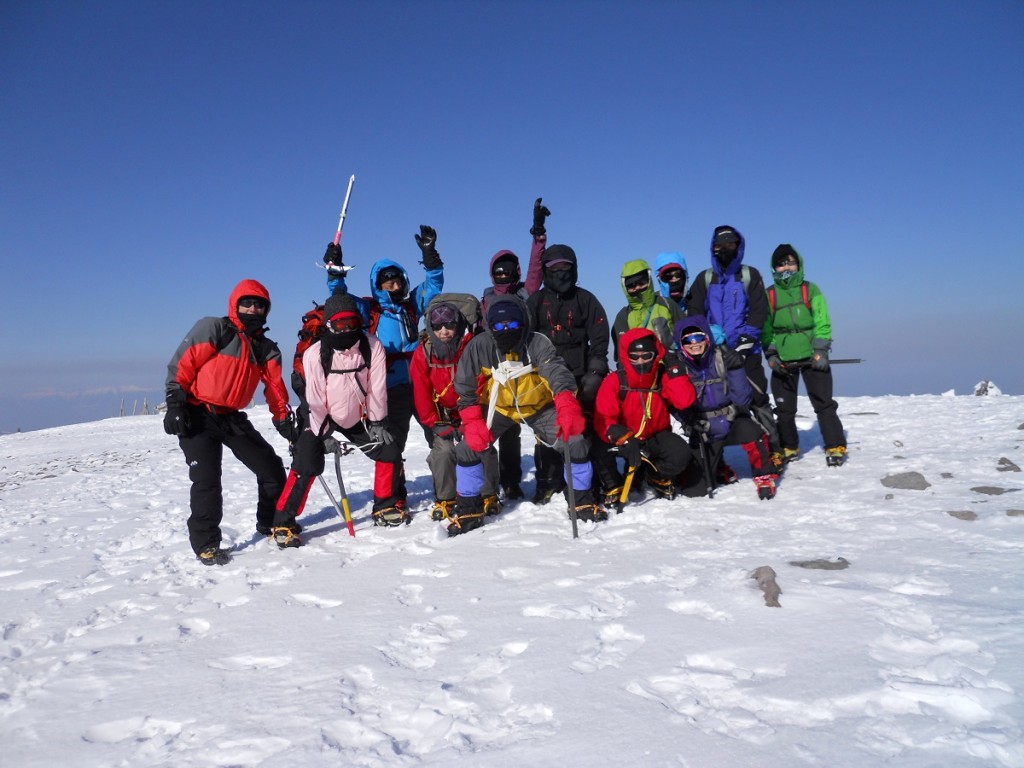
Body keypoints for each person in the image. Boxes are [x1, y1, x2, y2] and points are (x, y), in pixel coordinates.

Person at [164, 279, 297, 565]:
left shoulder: (266, 348)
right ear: (235, 304)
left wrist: (284, 420)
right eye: (247, 303)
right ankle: (206, 544)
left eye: (259, 305)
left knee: (272, 469)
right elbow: (182, 364)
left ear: (266, 310)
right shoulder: (215, 328)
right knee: (207, 481)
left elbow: (275, 388)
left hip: (232, 417)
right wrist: (176, 403)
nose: (252, 308)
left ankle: (270, 523)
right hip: (197, 413)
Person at [447, 295, 601, 535]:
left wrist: (566, 402)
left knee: (574, 440)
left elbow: (557, 372)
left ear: (523, 323)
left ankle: (581, 500)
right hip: (499, 407)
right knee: (468, 447)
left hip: (538, 406)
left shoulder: (538, 343)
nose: (505, 330)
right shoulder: (480, 345)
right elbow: (464, 385)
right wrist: (472, 420)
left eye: (512, 324)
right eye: (499, 326)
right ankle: (468, 509)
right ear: (490, 326)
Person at [321, 226, 444, 513]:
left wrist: (430, 255)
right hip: (389, 388)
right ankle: (394, 496)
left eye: (397, 280)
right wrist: (335, 272)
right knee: (393, 444)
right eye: (386, 282)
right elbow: (339, 299)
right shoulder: (370, 310)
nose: (394, 285)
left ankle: (445, 489)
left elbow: (434, 285)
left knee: (437, 435)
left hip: (422, 381)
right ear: (378, 285)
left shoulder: (412, 306)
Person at [275, 293, 406, 529]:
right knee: (306, 464)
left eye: (352, 324)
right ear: (329, 326)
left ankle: (385, 505)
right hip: (321, 418)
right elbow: (314, 399)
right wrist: (323, 435)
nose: (347, 330)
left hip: (358, 416)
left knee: (389, 450)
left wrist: (377, 422)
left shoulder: (372, 346)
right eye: (340, 324)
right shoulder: (315, 354)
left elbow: (377, 389)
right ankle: (283, 522)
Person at [686, 225, 784, 472]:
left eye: (730, 245)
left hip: (746, 352)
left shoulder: (750, 275)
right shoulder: (705, 278)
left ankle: (773, 449)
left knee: (757, 397)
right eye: (719, 246)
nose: (724, 250)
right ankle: (715, 461)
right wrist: (712, 338)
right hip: (713, 354)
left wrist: (744, 341)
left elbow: (759, 311)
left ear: (739, 247)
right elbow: (695, 313)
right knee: (712, 401)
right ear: (712, 248)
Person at [525, 242, 610, 504]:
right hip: (546, 380)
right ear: (546, 270)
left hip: (582, 376)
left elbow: (599, 339)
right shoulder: (536, 302)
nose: (560, 272)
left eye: (566, 267)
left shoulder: (586, 300)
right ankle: (548, 482)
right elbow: (526, 340)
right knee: (548, 435)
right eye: (554, 267)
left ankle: (593, 481)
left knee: (584, 431)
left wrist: (595, 372)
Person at [479, 198, 548, 500]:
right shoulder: (485, 299)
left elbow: (536, 270)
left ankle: (511, 481)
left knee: (516, 431)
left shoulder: (525, 293)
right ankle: (491, 483)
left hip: (525, 366)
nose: (504, 275)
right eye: (499, 271)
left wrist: (538, 235)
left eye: (509, 270)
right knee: (500, 428)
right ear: (492, 273)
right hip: (496, 371)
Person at [411, 294, 500, 522]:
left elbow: (481, 381)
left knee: (479, 445)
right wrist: (434, 423)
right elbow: (421, 393)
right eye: (437, 326)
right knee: (444, 451)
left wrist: (470, 418)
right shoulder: (423, 353)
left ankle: (488, 492)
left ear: (458, 324)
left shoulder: (472, 347)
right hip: (442, 416)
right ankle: (446, 497)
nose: (444, 331)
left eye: (449, 324)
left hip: (471, 411)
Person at [674, 315, 779, 500]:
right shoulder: (679, 368)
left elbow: (742, 400)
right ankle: (718, 468)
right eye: (687, 340)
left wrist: (737, 369)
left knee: (753, 432)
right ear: (680, 344)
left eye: (698, 337)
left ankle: (764, 475)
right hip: (703, 427)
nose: (694, 343)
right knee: (695, 490)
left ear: (707, 337)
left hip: (731, 421)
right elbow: (674, 401)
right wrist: (688, 418)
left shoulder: (722, 358)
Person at [592, 328, 697, 511]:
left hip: (653, 437)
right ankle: (613, 484)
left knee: (680, 452)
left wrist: (675, 369)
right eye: (634, 356)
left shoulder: (661, 376)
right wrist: (621, 436)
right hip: (625, 439)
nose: (640, 361)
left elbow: (684, 401)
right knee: (598, 447)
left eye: (646, 355)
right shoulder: (616, 380)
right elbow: (603, 417)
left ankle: (654, 474)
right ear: (627, 355)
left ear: (655, 354)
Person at [763, 244, 847, 467]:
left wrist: (821, 350)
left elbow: (822, 320)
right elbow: (766, 329)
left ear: (799, 264)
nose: (786, 267)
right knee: (785, 409)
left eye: (790, 262)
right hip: (783, 359)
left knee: (824, 404)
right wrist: (771, 355)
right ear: (774, 267)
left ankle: (835, 445)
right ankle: (789, 446)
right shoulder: (770, 294)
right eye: (781, 264)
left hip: (812, 357)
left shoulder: (810, 290)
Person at [611, 259, 685, 358]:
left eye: (641, 283)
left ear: (649, 281)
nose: (637, 288)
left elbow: (685, 335)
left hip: (670, 366)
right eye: (631, 286)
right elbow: (622, 354)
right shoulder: (623, 316)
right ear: (625, 288)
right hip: (641, 368)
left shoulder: (667, 304)